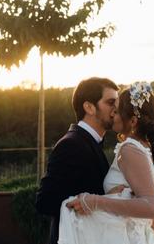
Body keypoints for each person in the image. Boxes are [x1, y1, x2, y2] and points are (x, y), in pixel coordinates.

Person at [60, 81, 154, 244]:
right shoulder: (152, 154)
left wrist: (94, 202)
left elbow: (150, 207)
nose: (113, 115)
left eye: (117, 112)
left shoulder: (129, 149)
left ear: (132, 121)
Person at [36, 77, 119, 244]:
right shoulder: (71, 145)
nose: (116, 109)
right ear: (89, 107)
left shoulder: (88, 142)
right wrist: (97, 200)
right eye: (110, 102)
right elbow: (45, 201)